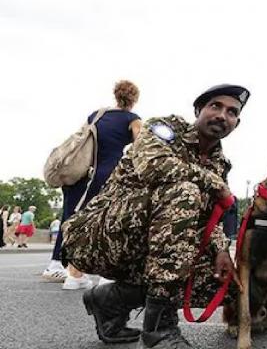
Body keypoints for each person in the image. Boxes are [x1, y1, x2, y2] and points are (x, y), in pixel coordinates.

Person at [61, 84, 248, 349]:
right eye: (215, 106)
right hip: (98, 235)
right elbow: (154, 166)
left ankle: (111, 300)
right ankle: (158, 329)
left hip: (152, 243)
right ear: (198, 110)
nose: (221, 115)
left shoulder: (220, 163)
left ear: (236, 123)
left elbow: (209, 218)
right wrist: (213, 183)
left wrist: (221, 250)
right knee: (183, 192)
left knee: (219, 283)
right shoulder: (164, 129)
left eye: (231, 112)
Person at [42, 80, 142, 289]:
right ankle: (106, 275)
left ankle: (69, 271)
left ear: (116, 95)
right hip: (110, 173)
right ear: (134, 99)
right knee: (108, 221)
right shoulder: (132, 119)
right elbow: (142, 146)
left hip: (83, 173)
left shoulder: (96, 115)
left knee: (73, 220)